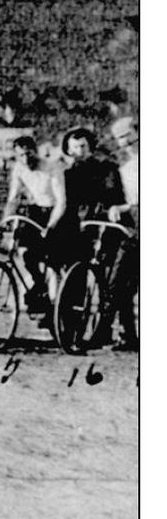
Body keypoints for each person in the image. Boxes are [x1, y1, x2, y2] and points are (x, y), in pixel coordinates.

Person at [61, 126, 127, 346]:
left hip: (103, 228)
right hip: (77, 232)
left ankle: (104, 329)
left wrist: (103, 212)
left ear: (90, 147)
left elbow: (112, 196)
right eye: (74, 148)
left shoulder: (106, 168)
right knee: (75, 281)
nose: (79, 151)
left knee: (107, 280)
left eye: (83, 146)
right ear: (68, 151)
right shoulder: (67, 173)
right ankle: (72, 332)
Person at [0, 135, 68, 313]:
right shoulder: (19, 169)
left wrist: (50, 226)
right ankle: (39, 286)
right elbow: (13, 199)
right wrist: (4, 222)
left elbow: (61, 201)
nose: (25, 159)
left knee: (53, 261)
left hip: (55, 214)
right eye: (20, 155)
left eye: (28, 154)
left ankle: (55, 302)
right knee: (26, 253)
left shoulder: (52, 167)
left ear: (35, 151)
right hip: (35, 212)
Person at [104, 115, 138, 351]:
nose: (124, 142)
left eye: (127, 135)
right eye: (119, 138)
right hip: (134, 232)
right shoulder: (125, 168)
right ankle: (128, 334)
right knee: (119, 283)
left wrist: (125, 207)